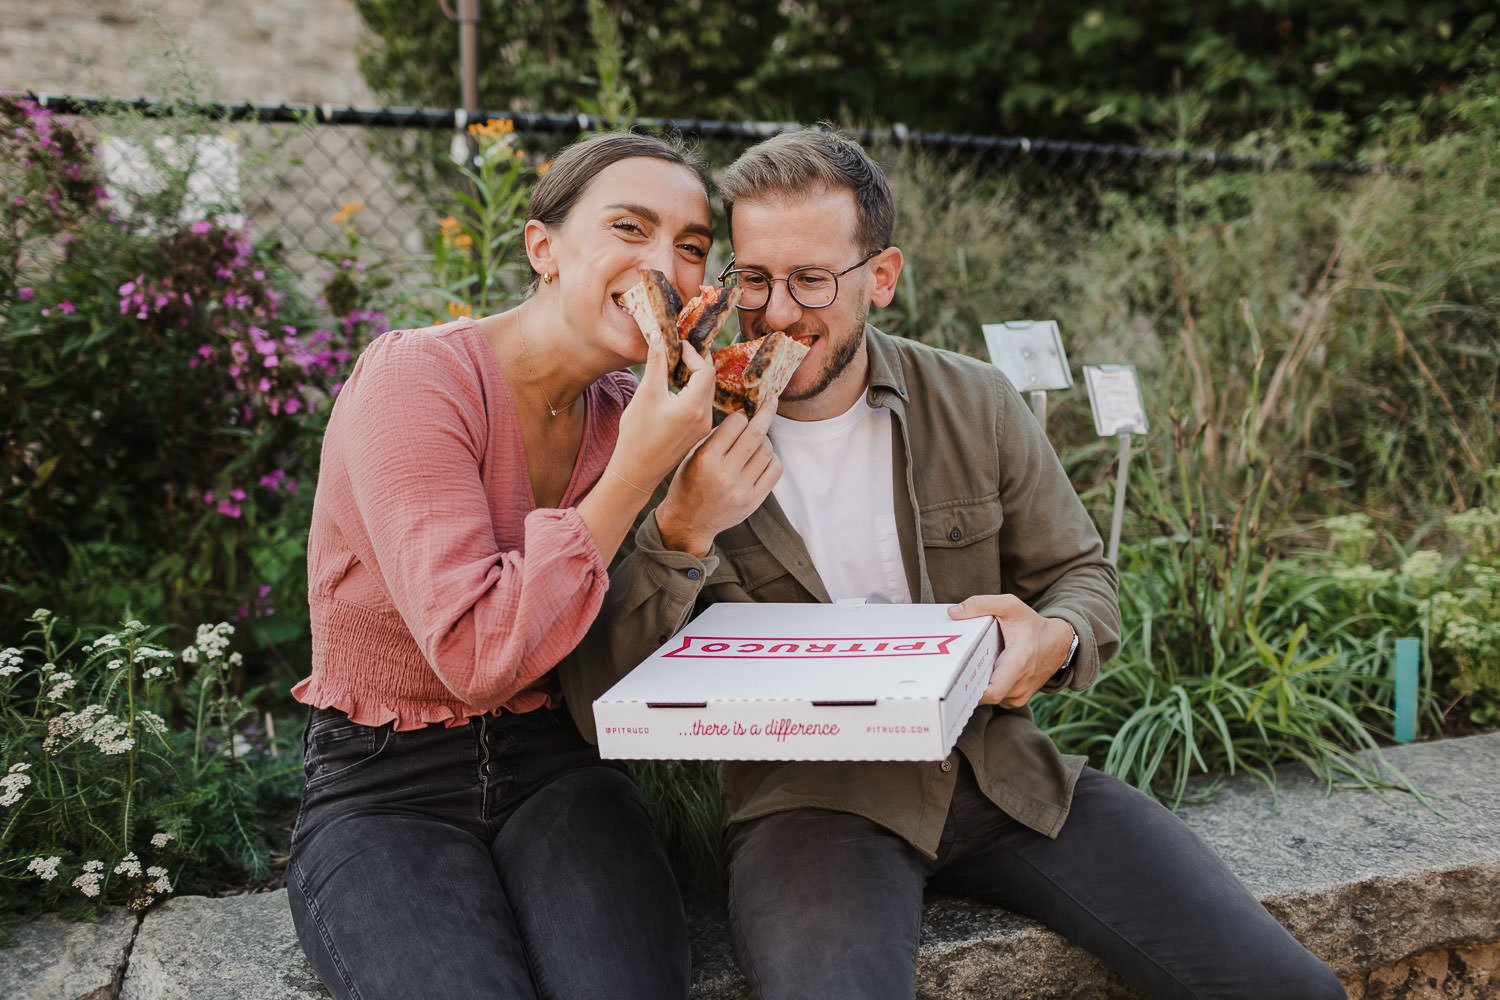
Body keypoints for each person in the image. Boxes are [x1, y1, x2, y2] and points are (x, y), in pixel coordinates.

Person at [560, 128, 1346, 1000]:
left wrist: (1053, 636)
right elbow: (604, 693)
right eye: (753, 278)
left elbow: (1084, 576)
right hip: (812, 810)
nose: (778, 312)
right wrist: (681, 529)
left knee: (1289, 988)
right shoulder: (664, 430)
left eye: (813, 279)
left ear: (881, 278)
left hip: (1004, 779)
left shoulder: (975, 400)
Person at [285, 131, 720, 1000]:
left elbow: (636, 643)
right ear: (543, 247)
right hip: (384, 786)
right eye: (629, 228)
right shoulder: (417, 382)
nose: (663, 265)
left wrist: (687, 523)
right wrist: (635, 475)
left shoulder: (631, 410)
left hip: (559, 767)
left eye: (693, 247)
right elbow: (478, 657)